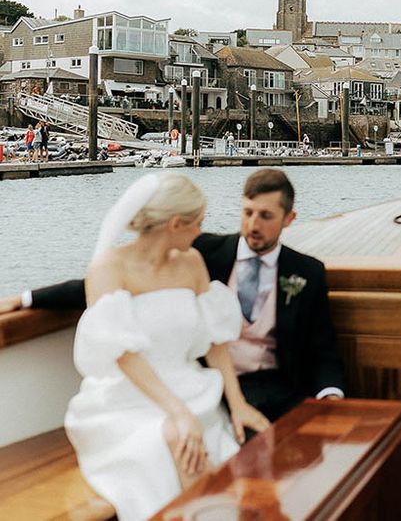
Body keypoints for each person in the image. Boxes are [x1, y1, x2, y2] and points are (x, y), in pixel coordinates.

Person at [1, 169, 346, 423]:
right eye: (247, 212)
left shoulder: (308, 272)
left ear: (289, 219)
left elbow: (323, 348)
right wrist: (28, 298)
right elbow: (106, 285)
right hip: (212, 384)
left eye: (266, 216)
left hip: (282, 384)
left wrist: (330, 396)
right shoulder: (202, 250)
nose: (253, 224)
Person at [64, 173, 269, 520]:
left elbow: (215, 342)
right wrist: (177, 412)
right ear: (175, 223)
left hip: (190, 389)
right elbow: (124, 354)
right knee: (178, 437)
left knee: (214, 441)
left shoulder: (192, 264)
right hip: (125, 400)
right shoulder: (108, 268)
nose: (200, 232)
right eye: (198, 223)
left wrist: (238, 404)